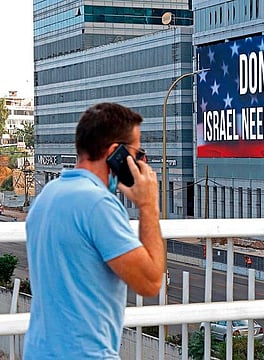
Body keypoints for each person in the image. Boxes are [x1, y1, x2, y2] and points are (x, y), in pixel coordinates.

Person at [23, 103, 166, 359]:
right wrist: (148, 206)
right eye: (138, 153)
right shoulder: (99, 205)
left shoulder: (46, 196)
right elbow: (150, 282)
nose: (142, 161)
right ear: (116, 153)